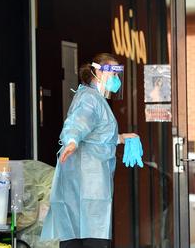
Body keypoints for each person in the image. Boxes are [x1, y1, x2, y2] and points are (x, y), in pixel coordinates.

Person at [40, 53, 139, 248]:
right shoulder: (90, 99)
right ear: (98, 71)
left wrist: (121, 138)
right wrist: (72, 141)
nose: (116, 79)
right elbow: (78, 122)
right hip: (88, 185)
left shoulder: (95, 99)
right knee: (90, 236)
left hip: (90, 185)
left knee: (82, 234)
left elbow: (97, 135)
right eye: (113, 74)